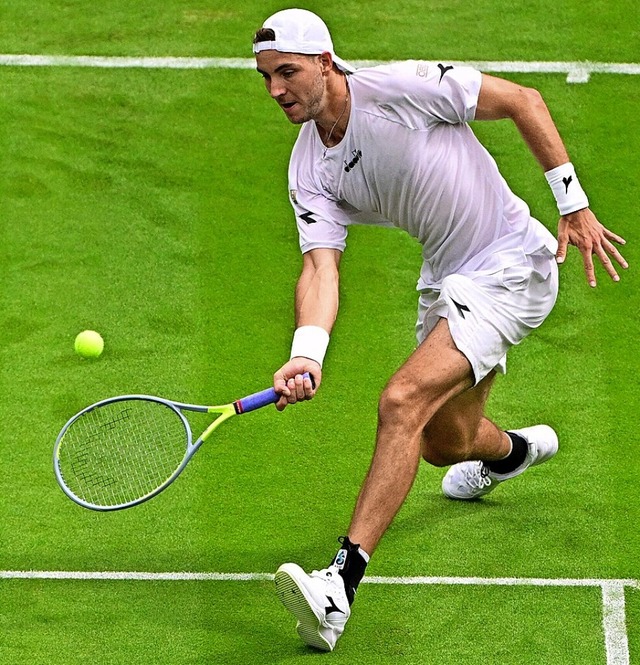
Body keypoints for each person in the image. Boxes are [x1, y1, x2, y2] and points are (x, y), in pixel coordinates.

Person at [252, 8, 628, 652]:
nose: (275, 90)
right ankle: (511, 453)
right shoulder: (308, 169)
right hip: (448, 277)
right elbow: (320, 268)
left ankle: (338, 589)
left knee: (401, 400)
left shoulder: (402, 88)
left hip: (512, 264)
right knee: (442, 443)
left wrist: (575, 206)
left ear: (325, 61)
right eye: (264, 77)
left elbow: (522, 100)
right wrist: (305, 352)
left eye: (287, 72)